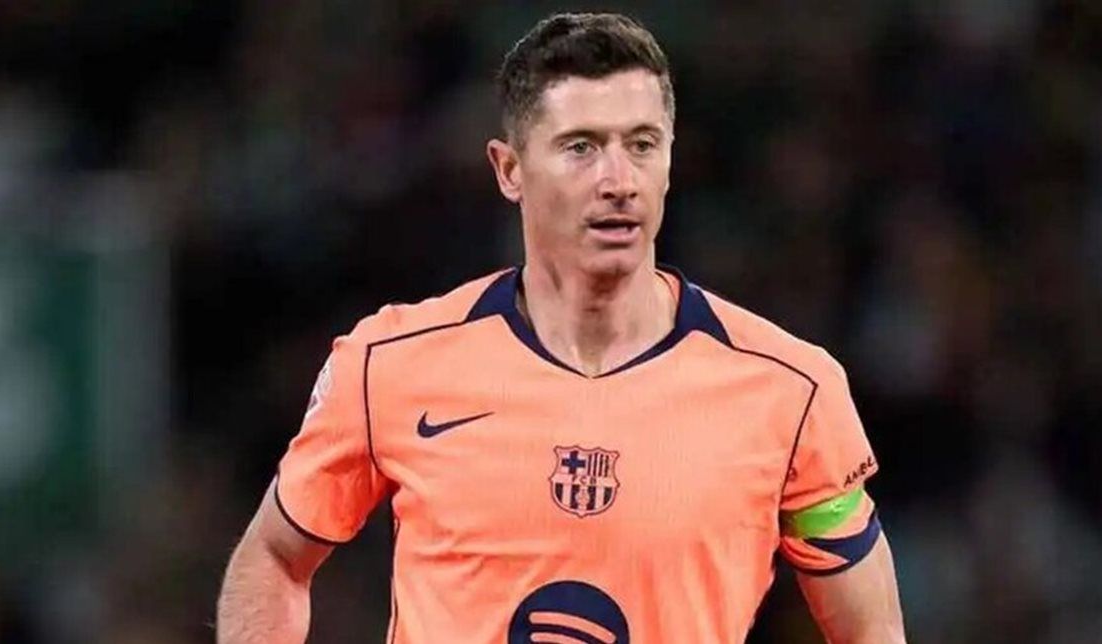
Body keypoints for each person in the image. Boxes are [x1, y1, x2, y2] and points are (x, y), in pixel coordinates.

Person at [217, 12, 905, 644]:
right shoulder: (389, 364)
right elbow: (276, 555)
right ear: (509, 170)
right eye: (581, 147)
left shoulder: (791, 391)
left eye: (642, 145)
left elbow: (872, 632)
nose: (619, 180)